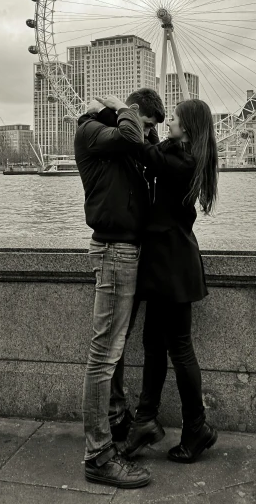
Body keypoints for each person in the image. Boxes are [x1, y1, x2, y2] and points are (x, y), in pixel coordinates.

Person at [97, 96, 219, 464]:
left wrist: (126, 111)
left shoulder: (183, 162)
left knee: (179, 349)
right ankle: (147, 422)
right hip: (167, 263)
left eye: (176, 119)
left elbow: (144, 151)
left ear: (189, 126)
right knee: (154, 343)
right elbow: (151, 149)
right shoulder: (179, 155)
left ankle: (193, 427)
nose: (170, 123)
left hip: (172, 264)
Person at [75, 88, 165, 489]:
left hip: (127, 250)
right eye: (148, 125)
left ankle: (115, 420)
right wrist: (125, 110)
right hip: (113, 252)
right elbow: (131, 137)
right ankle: (98, 455)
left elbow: (148, 153)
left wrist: (143, 126)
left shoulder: (123, 140)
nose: (147, 135)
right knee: (103, 355)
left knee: (114, 350)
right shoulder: (93, 132)